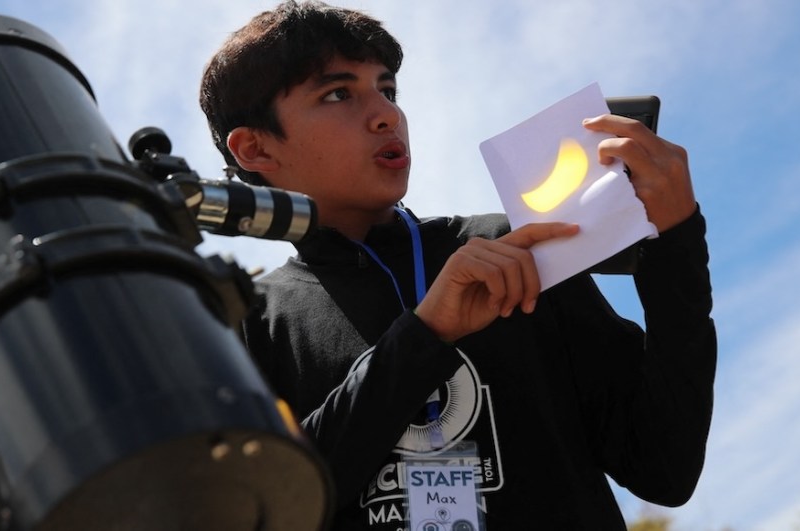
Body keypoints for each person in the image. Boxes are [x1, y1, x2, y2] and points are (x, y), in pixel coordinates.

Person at [198, 1, 715, 529]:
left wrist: (675, 248)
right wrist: (424, 335)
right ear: (255, 148)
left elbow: (663, 467)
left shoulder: (512, 245)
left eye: (388, 90)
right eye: (338, 93)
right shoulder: (251, 319)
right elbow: (268, 510)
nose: (386, 114)